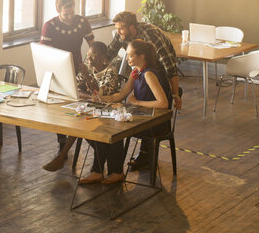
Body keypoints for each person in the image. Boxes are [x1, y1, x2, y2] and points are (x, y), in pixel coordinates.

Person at [106, 11, 180, 169]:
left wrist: (175, 94)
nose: (118, 33)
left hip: (158, 70)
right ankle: (143, 156)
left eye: (121, 29)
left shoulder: (151, 36)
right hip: (142, 69)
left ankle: (147, 155)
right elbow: (108, 55)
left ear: (132, 28)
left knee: (151, 108)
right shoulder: (136, 68)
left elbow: (170, 66)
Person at [42, 41, 121, 178]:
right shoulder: (88, 69)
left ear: (103, 57)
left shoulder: (111, 71)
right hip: (91, 109)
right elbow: (77, 89)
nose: (88, 59)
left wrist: (87, 78)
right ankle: (65, 157)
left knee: (85, 126)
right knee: (77, 121)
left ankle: (63, 156)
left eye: (93, 56)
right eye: (87, 55)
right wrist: (90, 95)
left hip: (108, 113)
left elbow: (100, 95)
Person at [97, 39, 172, 172]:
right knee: (109, 125)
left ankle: (114, 171)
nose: (127, 59)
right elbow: (120, 95)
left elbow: (163, 103)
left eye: (130, 55)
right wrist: (99, 98)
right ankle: (111, 170)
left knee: (115, 129)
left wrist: (136, 102)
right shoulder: (135, 73)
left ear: (141, 56)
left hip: (154, 123)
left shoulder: (148, 74)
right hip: (143, 118)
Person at [40, 0, 97, 157]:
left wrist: (91, 62)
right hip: (56, 68)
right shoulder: (49, 26)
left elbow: (92, 45)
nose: (70, 17)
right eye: (66, 14)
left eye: (72, 12)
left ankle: (82, 134)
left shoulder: (82, 22)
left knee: (79, 101)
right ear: (58, 11)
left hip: (78, 66)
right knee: (59, 106)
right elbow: (45, 52)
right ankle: (62, 141)